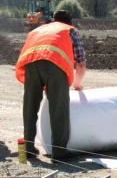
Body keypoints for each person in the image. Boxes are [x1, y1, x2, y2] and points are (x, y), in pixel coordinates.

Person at [16, 10, 86, 159]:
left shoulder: (39, 29)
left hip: (31, 64)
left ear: (53, 20)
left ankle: (27, 148)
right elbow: (80, 62)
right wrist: (77, 85)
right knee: (58, 108)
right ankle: (59, 153)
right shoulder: (69, 30)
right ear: (70, 22)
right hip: (55, 64)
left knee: (30, 106)